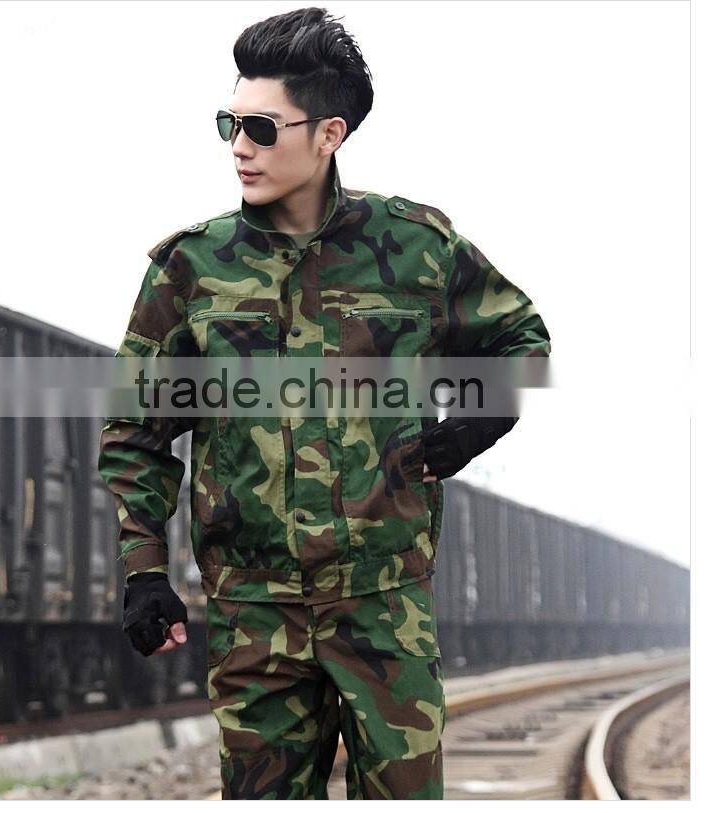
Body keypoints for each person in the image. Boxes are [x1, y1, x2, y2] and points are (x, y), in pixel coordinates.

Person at [97, 6, 551, 800]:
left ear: (328, 134)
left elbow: (521, 337)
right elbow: (137, 429)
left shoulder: (415, 249)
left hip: (385, 608)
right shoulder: (191, 270)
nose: (239, 147)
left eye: (261, 128)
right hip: (254, 617)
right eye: (229, 124)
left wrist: (480, 422)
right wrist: (144, 570)